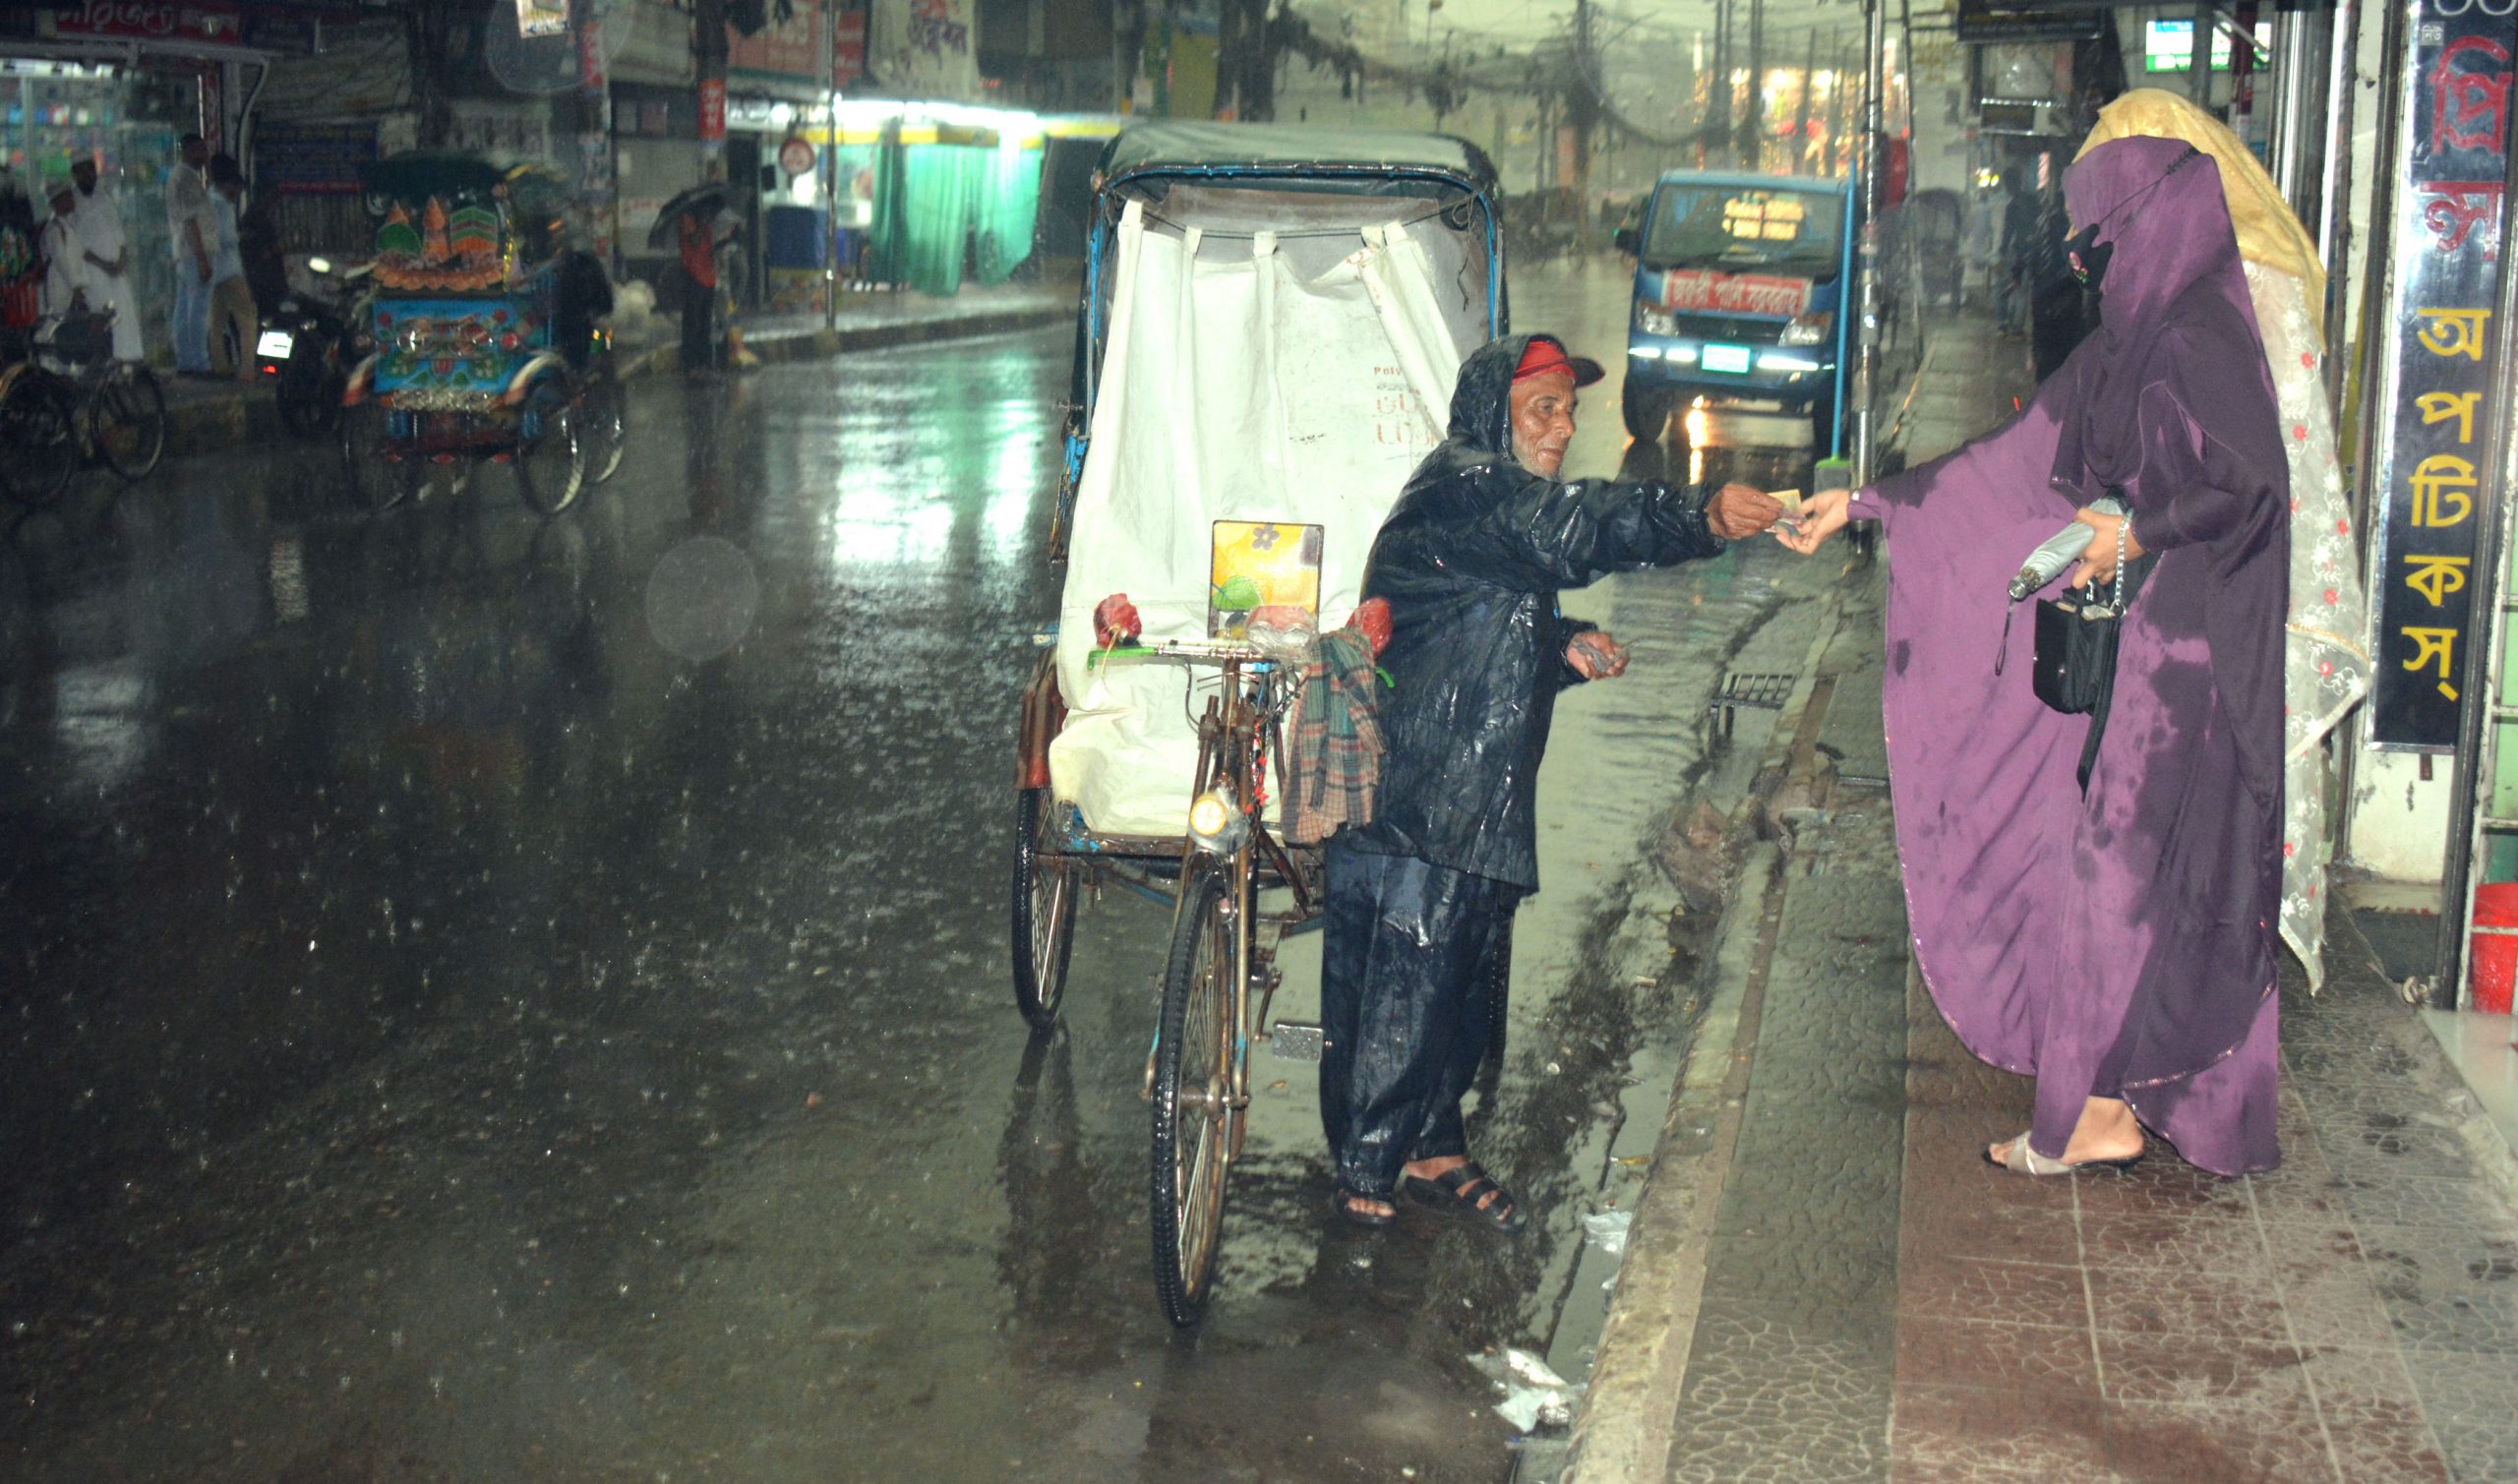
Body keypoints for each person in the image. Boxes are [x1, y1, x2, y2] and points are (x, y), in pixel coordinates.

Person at [1782, 137, 2289, 1178]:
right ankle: (2122, 1095)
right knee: (2138, 873)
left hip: (2190, 658)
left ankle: (2089, 1113)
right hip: (2129, 647)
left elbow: (2247, 487)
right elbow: (2004, 469)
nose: (2089, 261)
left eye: (2103, 238)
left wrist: (2135, 532)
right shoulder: (2127, 338)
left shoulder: (2201, 334)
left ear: (2157, 223)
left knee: (2121, 874)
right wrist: (1866, 504)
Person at [1323, 334, 1783, 1230]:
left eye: (1571, 411)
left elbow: (1476, 623)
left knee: (1458, 987)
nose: (1564, 428)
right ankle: (1363, 1181)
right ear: (1496, 411)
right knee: (1402, 990)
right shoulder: (1468, 485)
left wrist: (1559, 649)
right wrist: (1697, 517)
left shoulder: (1492, 503)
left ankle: (1435, 1144)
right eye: (1546, 408)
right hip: (1424, 803)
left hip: (1475, 802)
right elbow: (1577, 526)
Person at [2073, 88, 2371, 994]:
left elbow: (2260, 472)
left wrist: (2141, 529)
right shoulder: (2209, 264)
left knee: (2215, 804)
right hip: (2204, 561)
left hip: (2239, 573)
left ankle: (2193, 1014)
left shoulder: (2243, 279)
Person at [68, 159, 141, 361]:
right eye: (84, 172)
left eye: (92, 171)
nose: (90, 175)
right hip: (93, 272)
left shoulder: (104, 198)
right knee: (100, 320)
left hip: (116, 271)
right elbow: (77, 245)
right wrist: (104, 264)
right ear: (75, 175)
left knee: (124, 318)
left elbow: (118, 232)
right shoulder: (72, 203)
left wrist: (121, 260)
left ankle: (127, 364)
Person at [163, 133, 215, 376]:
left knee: (184, 309)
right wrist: (203, 259)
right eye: (201, 151)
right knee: (197, 310)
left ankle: (186, 360)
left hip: (185, 254)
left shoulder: (180, 177)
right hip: (194, 254)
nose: (205, 156)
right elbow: (191, 221)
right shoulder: (186, 178)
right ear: (189, 151)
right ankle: (198, 362)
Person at [206, 154, 255, 381]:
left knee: (216, 323)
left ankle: (220, 366)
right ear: (228, 186)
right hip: (231, 272)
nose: (237, 195)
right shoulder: (222, 205)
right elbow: (226, 238)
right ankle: (247, 370)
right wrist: (242, 236)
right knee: (247, 320)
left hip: (215, 272)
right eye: (236, 189)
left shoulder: (207, 200)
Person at [673, 201, 724, 378]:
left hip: (708, 279)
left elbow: (709, 250)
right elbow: (693, 243)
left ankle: (704, 361)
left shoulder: (706, 228)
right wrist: (700, 227)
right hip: (693, 279)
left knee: (704, 323)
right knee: (692, 324)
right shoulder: (689, 223)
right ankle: (691, 364)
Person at [36, 177, 94, 318]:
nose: (72, 199)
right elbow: (62, 261)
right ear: (58, 201)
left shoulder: (67, 226)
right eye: (68, 196)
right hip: (60, 291)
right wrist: (76, 287)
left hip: (71, 291)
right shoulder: (54, 230)